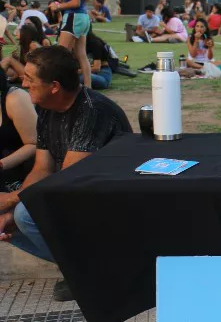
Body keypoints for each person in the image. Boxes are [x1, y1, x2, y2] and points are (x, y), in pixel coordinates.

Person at [0, 46, 131, 301]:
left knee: (24, 214)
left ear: (55, 86)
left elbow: (67, 177)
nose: (22, 83)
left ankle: (97, 269)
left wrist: (12, 200)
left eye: (30, 79)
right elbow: (42, 168)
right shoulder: (48, 110)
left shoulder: (91, 111)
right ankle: (83, 269)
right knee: (9, 219)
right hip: (75, 195)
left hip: (108, 202)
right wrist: (10, 205)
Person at [53, 0, 92, 89]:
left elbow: (75, 2)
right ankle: (88, 88)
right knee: (82, 55)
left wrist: (58, 6)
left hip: (73, 17)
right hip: (83, 17)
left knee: (60, 55)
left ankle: (63, 87)